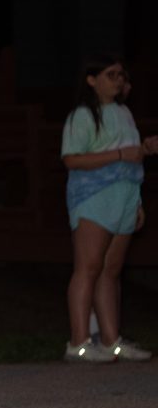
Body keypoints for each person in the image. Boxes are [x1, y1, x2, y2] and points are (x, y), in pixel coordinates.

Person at [60, 55, 157, 363]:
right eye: (110, 74)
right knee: (88, 267)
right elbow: (71, 159)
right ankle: (78, 342)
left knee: (111, 271)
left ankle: (111, 341)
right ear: (92, 80)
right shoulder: (82, 115)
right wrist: (119, 155)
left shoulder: (124, 113)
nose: (118, 80)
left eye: (120, 75)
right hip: (93, 195)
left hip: (124, 196)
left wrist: (143, 154)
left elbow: (130, 157)